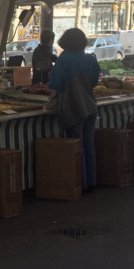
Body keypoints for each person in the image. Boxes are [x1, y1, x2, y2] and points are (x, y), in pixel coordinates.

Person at [48, 28, 101, 195]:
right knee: (88, 144)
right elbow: (93, 82)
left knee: (77, 146)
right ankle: (92, 182)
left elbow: (55, 83)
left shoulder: (64, 60)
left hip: (74, 107)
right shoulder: (90, 59)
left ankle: (81, 183)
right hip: (91, 106)